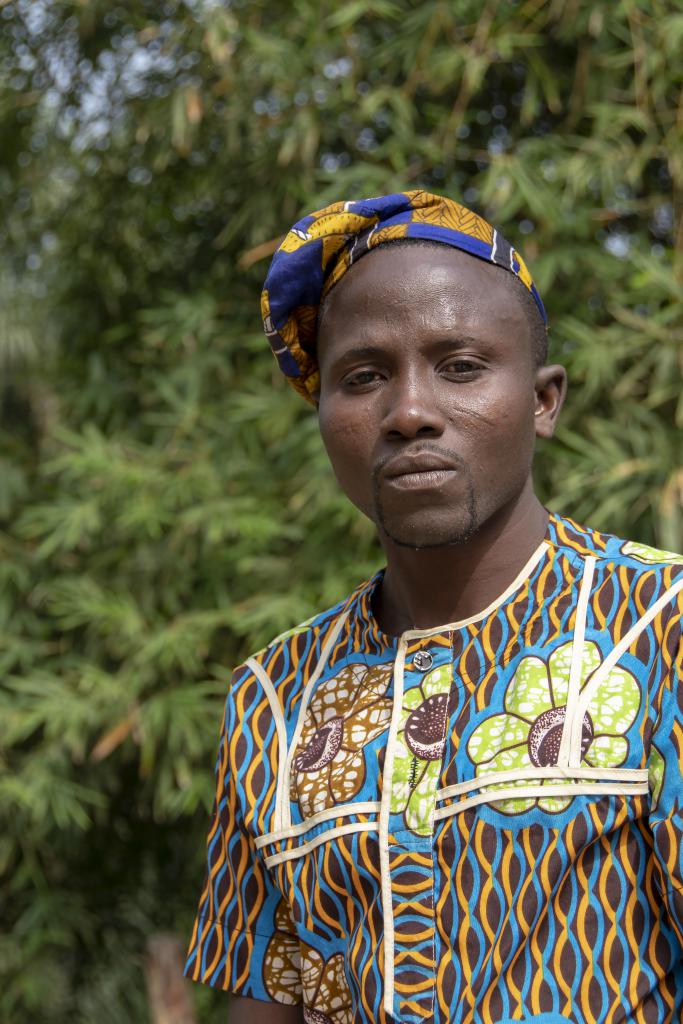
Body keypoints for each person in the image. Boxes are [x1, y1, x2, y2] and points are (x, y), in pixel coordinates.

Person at [183, 190, 683, 1024]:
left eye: (459, 367)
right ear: (323, 415)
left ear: (542, 399)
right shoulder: (273, 696)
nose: (409, 412)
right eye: (363, 377)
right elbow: (269, 994)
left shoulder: (659, 626)